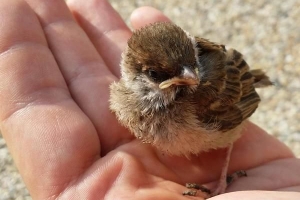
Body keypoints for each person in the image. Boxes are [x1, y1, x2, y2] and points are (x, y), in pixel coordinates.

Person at [0, 0, 299, 199]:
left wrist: (223, 184)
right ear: (132, 72)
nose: (190, 76)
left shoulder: (200, 96)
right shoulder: (123, 97)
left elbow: (237, 113)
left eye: (190, 65)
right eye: (158, 75)